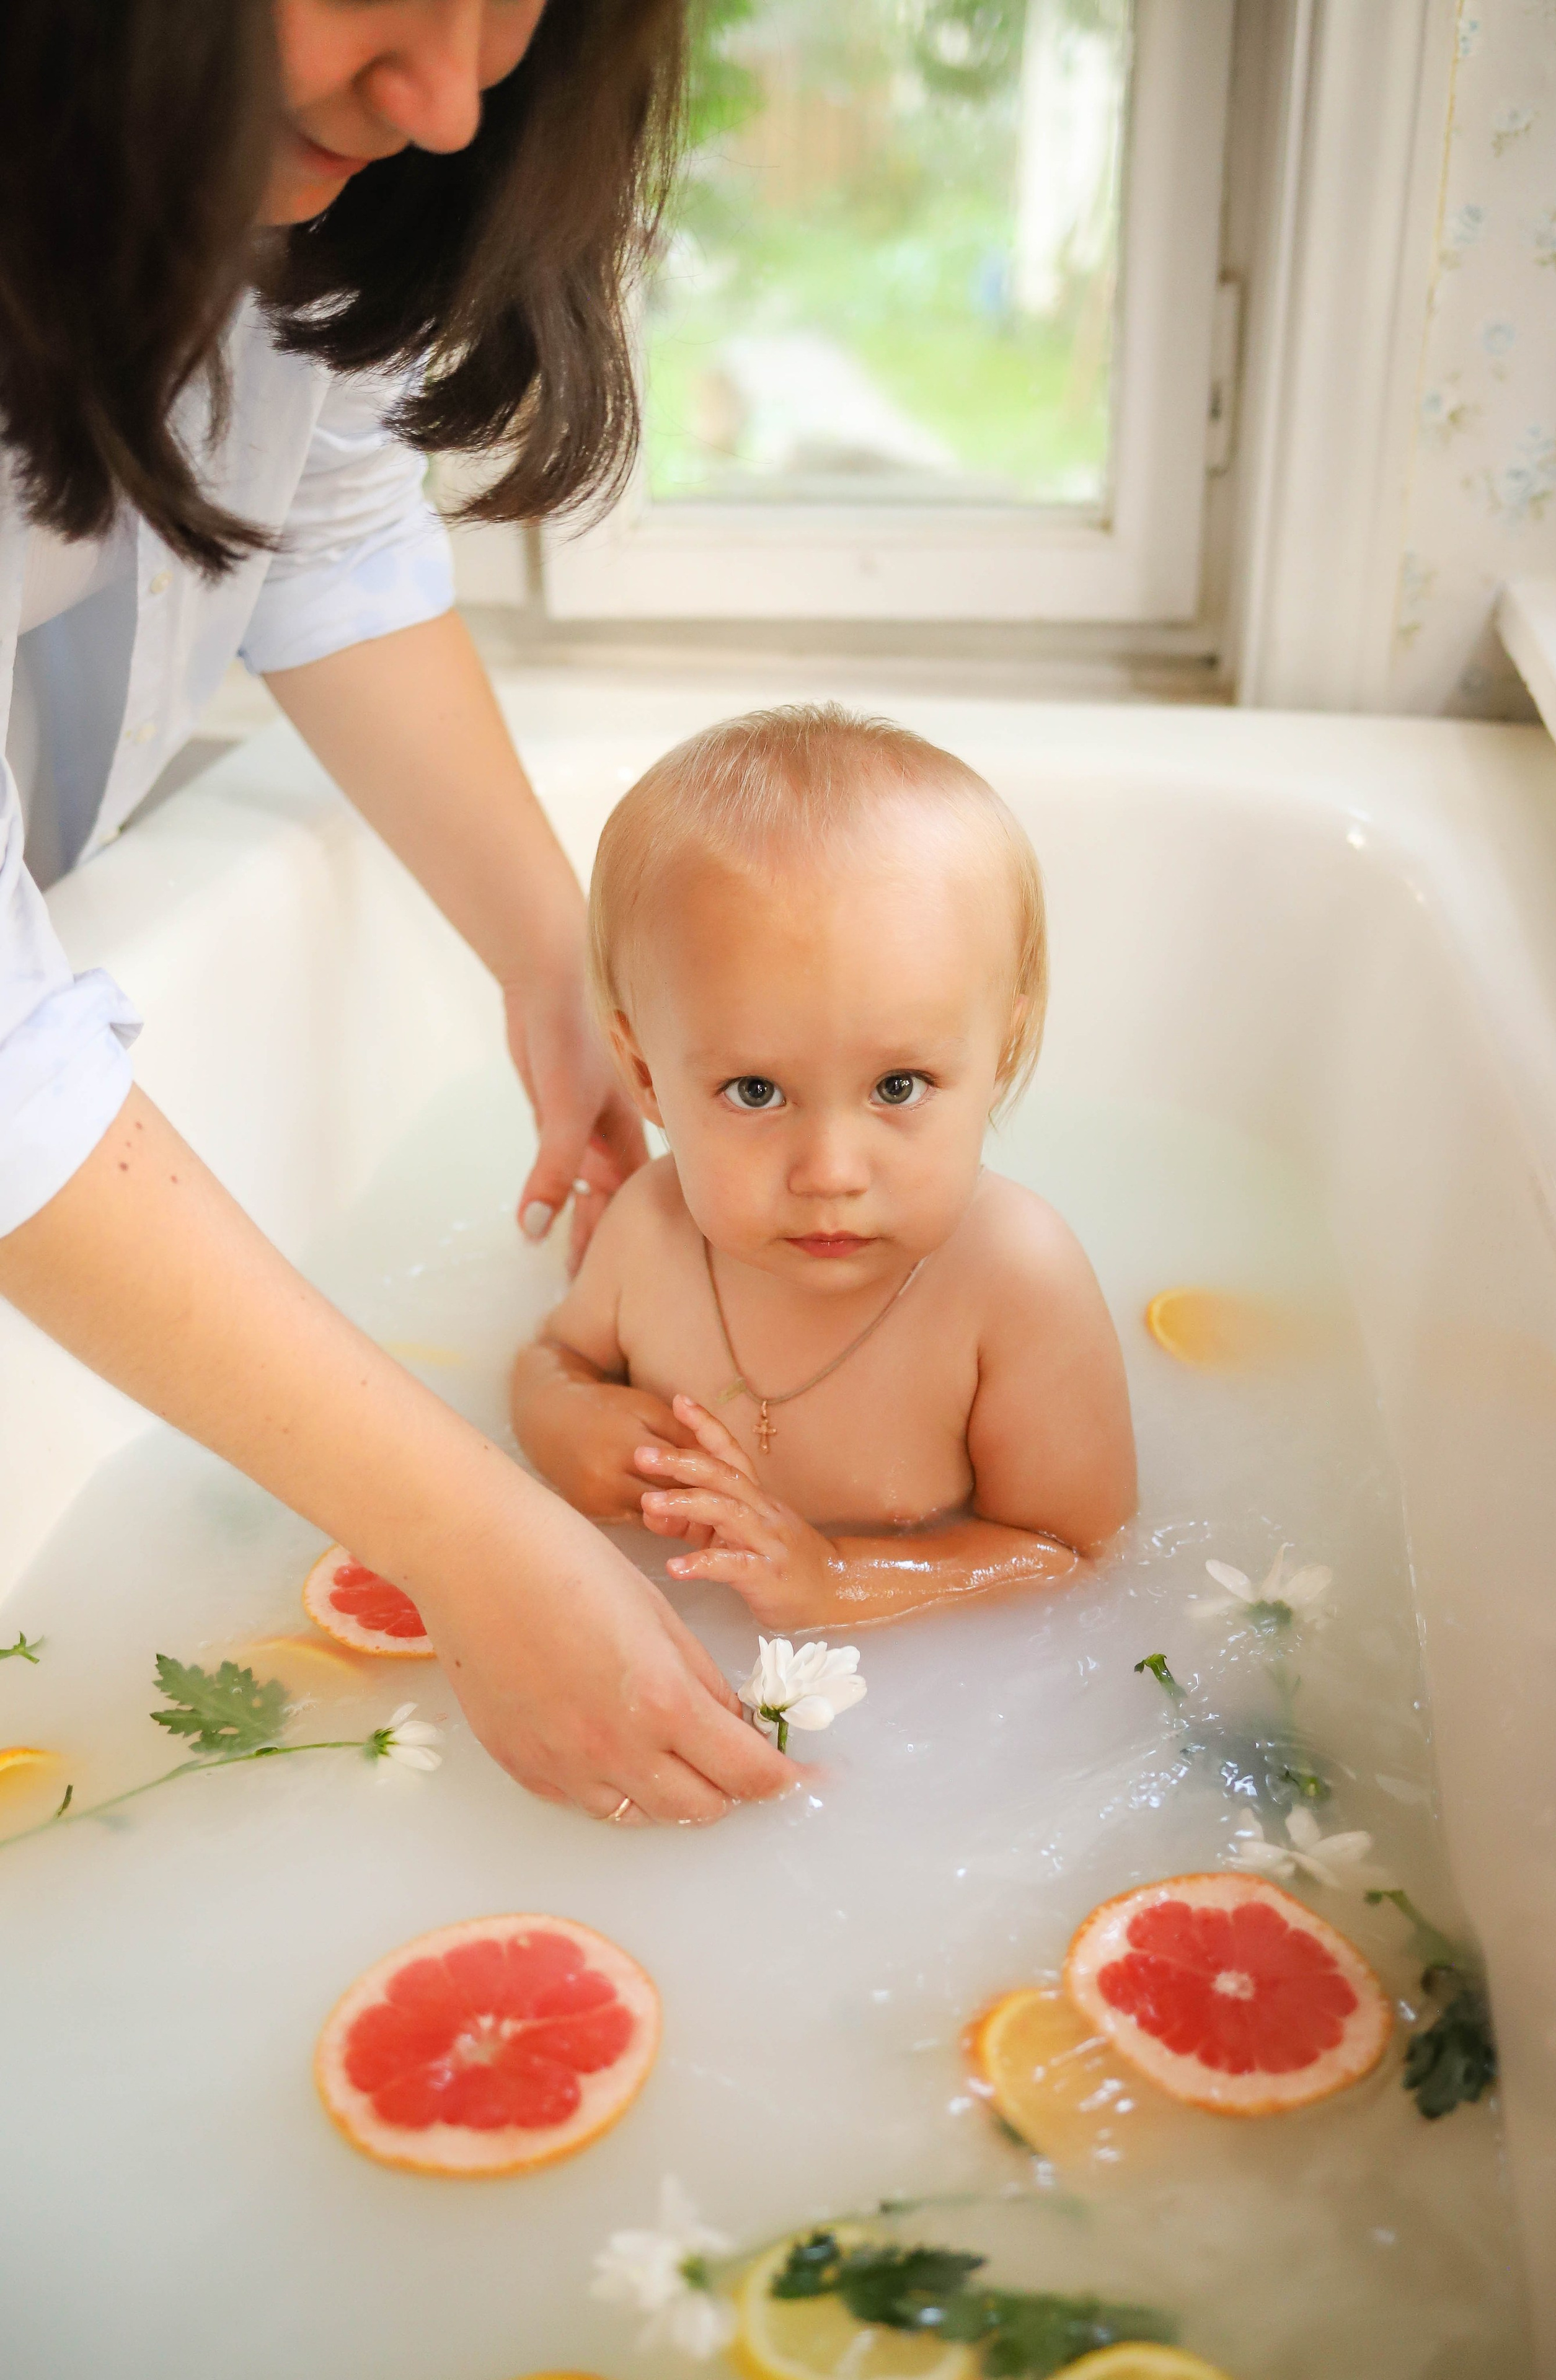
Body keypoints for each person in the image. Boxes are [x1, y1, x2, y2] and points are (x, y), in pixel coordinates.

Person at [0, 0, 795, 1827]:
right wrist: (480, 1544)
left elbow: (325, 522)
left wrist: (553, 963)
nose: (444, 107)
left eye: (501, 14)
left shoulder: (291, 188)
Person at [513, 705, 1137, 1626]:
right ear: (645, 1074)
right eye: (756, 1092)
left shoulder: (1014, 1282)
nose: (832, 1171)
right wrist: (562, 1421)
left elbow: (1077, 1550)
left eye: (899, 1085)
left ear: (997, 1055)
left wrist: (842, 1580)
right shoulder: (652, 1231)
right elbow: (550, 1357)